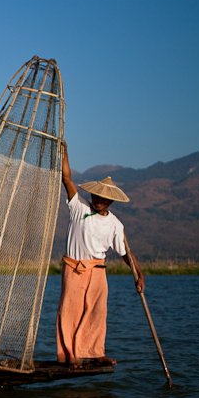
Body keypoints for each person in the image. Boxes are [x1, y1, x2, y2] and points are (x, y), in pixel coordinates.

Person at [56, 141, 143, 367]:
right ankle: (70, 355)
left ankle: (95, 352)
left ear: (110, 202)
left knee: (96, 313)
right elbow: (66, 179)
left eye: (102, 199)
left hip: (97, 271)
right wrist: (65, 153)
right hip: (74, 268)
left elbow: (126, 252)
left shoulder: (115, 225)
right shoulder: (80, 208)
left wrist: (138, 275)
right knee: (70, 310)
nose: (97, 200)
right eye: (95, 196)